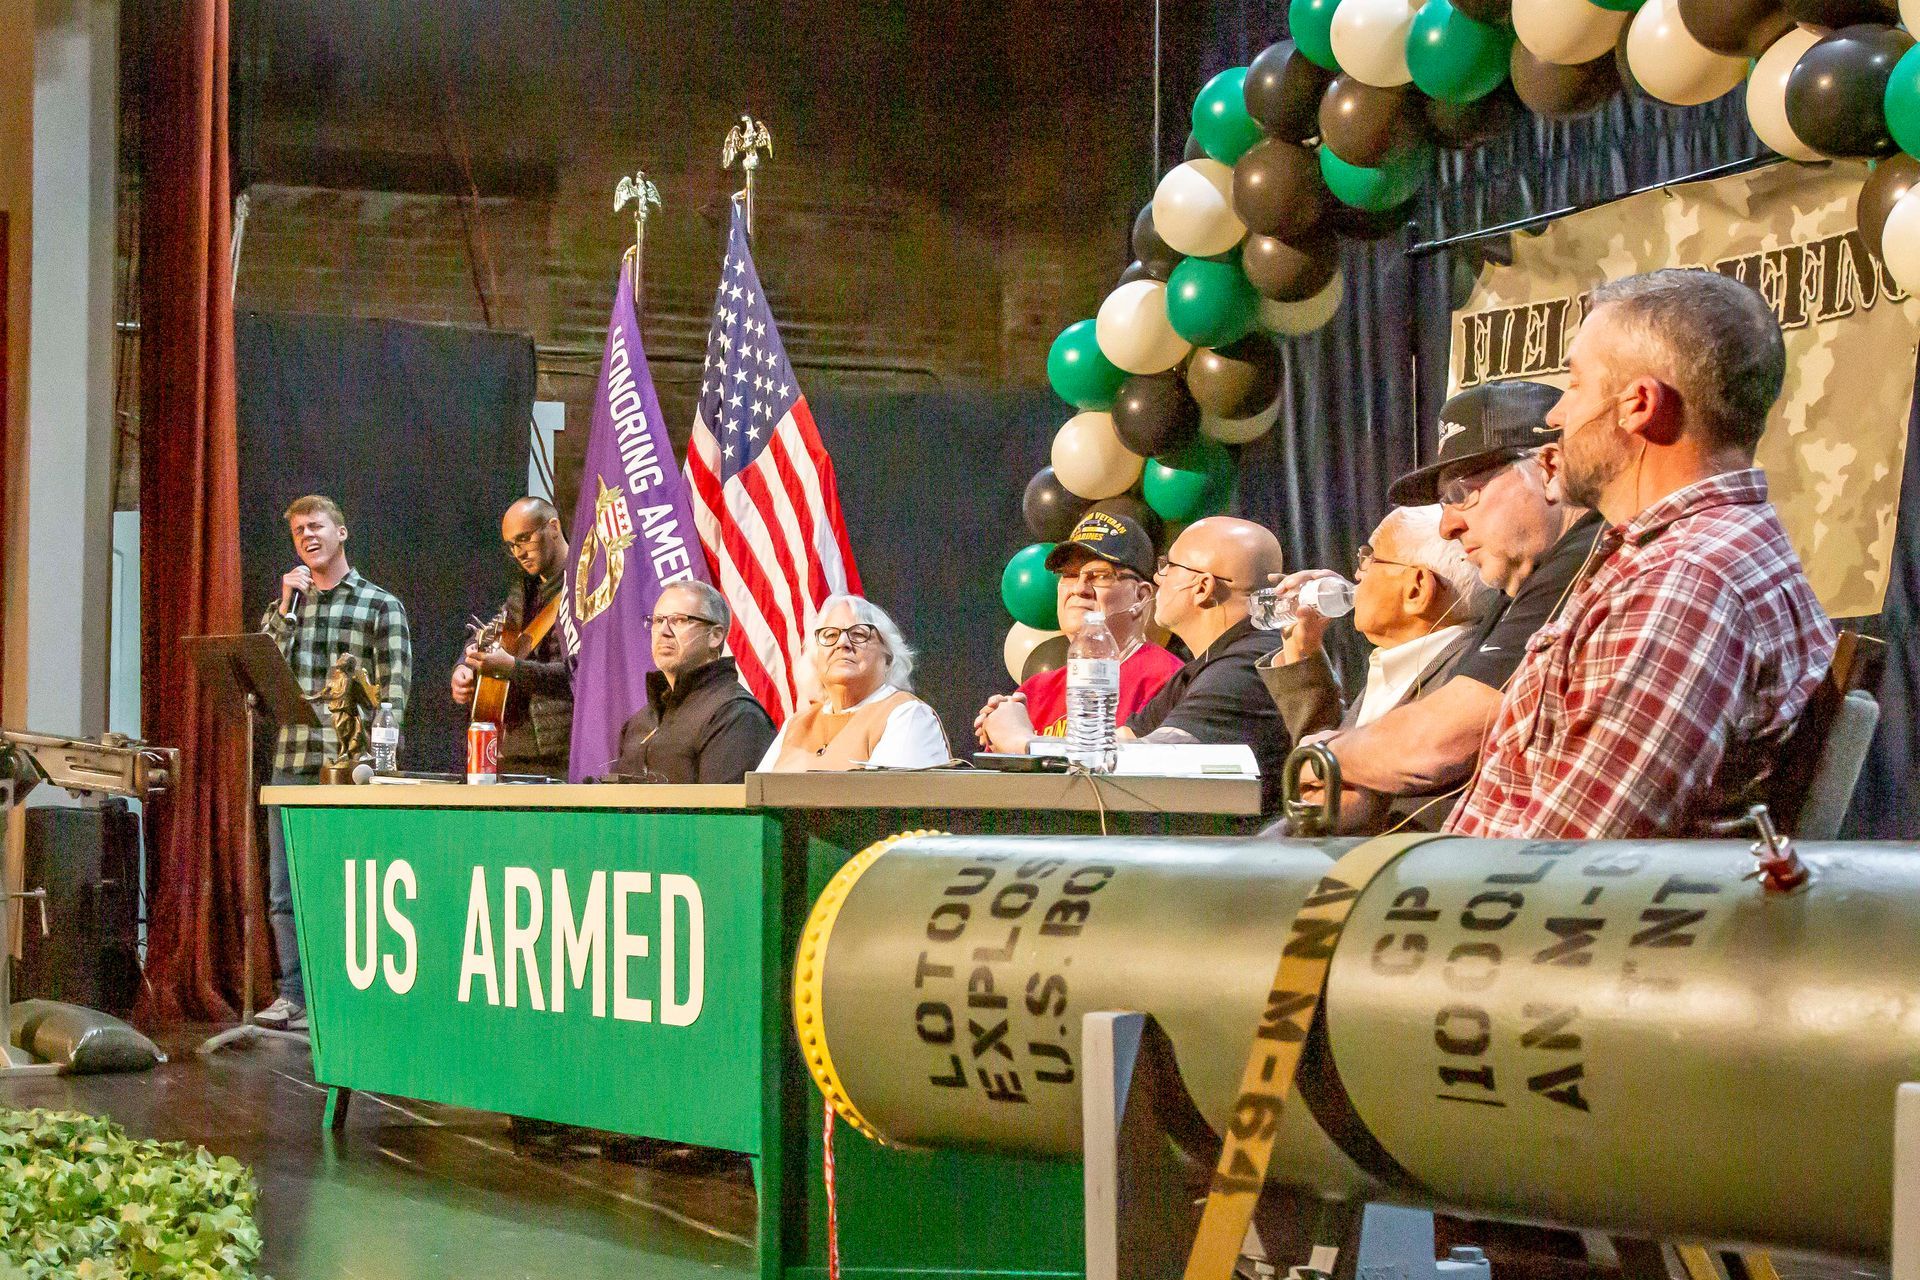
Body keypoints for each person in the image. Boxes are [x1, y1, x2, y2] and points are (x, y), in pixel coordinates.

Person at [1447, 268, 1835, 839]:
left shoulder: (1685, 584)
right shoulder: (1679, 560)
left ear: (1639, 405)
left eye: (1575, 385)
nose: (1555, 418)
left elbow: (1561, 868)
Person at [1291, 381, 1602, 828]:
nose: (1448, 526)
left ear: (1549, 469)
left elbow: (1438, 745)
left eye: (1463, 493)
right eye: (1443, 502)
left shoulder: (1584, 556)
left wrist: (1325, 754)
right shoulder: (1527, 583)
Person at [258, 494, 411, 1031]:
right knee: (284, 886)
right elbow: (261, 679)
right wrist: (282, 611)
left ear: (341, 533)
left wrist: (382, 763)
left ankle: (348, 994)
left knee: (349, 881)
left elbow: (393, 690)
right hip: (293, 757)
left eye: (316, 526)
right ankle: (294, 995)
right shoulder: (285, 610)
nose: (307, 536)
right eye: (298, 530)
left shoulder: (379, 604)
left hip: (350, 764)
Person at [1259, 504, 1492, 746]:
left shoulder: (1460, 684)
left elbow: (1341, 776)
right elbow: (1330, 760)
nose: (1358, 574)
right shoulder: (1401, 657)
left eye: (1370, 559)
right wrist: (1302, 650)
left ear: (1417, 589)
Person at [973, 509, 1183, 753]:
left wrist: (1019, 741)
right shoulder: (1033, 692)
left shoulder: (1167, 681)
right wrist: (999, 737)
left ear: (1141, 596)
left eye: (1100, 576)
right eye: (1069, 575)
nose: (1079, 588)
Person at [1122, 516, 1291, 810]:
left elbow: (1148, 759)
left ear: (1202, 587)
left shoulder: (1251, 664)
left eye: (1168, 567)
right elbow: (1124, 738)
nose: (1158, 578)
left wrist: (1023, 743)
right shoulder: (1207, 664)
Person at [452, 497, 574, 780]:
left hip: (560, 753)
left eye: (524, 539)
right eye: (511, 545)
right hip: (510, 749)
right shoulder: (524, 589)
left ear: (553, 527)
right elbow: (489, 631)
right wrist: (464, 665)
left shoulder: (583, 588)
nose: (519, 552)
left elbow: (580, 674)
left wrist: (513, 668)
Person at [758, 595, 950, 771]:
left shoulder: (908, 715)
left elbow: (884, 802)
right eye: (830, 635)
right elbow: (755, 797)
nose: (843, 643)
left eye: (859, 634)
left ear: (888, 657)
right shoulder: (794, 725)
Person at [610, 580, 776, 783]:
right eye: (658, 620)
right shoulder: (639, 722)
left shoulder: (737, 715)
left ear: (715, 636)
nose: (664, 631)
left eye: (680, 620)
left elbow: (722, 812)